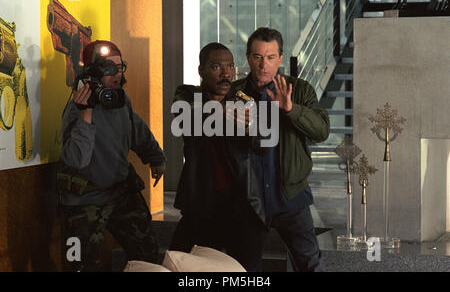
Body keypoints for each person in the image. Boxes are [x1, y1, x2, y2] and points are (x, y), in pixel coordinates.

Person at [58, 40, 166, 271]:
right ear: (92, 72)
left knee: (147, 254)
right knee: (80, 265)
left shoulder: (119, 99)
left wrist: (156, 158)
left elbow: (138, 131)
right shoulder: (74, 109)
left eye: (119, 67)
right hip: (85, 199)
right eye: (109, 68)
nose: (117, 73)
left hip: (120, 190)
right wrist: (86, 113)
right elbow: (77, 159)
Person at [232, 27, 330, 272]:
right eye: (257, 57)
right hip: (249, 201)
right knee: (244, 270)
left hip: (290, 197)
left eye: (270, 57)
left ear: (281, 59)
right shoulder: (235, 94)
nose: (263, 64)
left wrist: (291, 110)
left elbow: (321, 131)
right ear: (248, 57)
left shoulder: (300, 90)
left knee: (310, 264)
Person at [169, 42, 268, 271]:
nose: (226, 74)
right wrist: (223, 114)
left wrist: (250, 128)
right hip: (201, 204)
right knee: (181, 266)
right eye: (216, 67)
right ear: (201, 71)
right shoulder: (187, 95)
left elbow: (263, 145)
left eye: (230, 66)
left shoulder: (244, 100)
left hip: (242, 203)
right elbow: (183, 119)